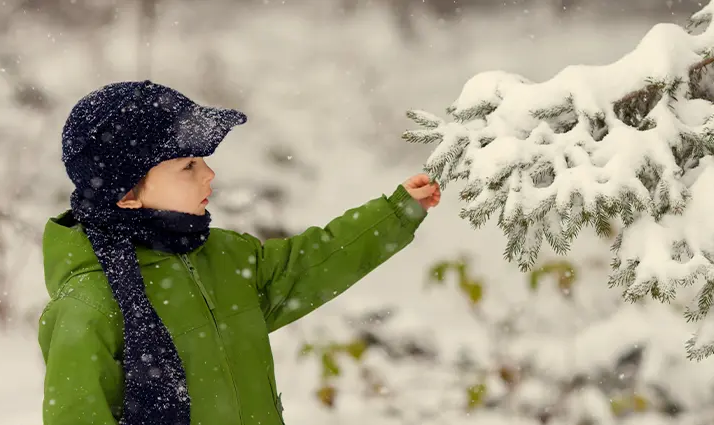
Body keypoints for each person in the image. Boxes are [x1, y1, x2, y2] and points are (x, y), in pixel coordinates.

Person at [38, 80, 441, 425]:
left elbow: (312, 264)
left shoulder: (225, 256)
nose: (209, 174)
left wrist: (395, 213)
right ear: (126, 194)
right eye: (188, 166)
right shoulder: (89, 304)